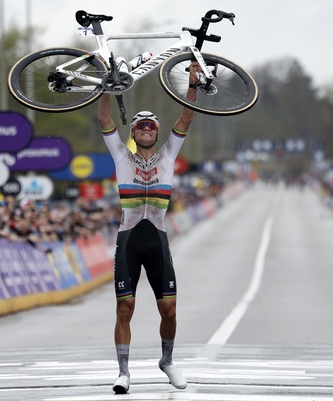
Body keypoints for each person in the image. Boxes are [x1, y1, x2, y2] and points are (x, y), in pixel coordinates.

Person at [98, 62, 199, 394]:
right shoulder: (121, 157)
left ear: (156, 133)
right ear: (133, 133)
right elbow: (105, 120)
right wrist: (106, 87)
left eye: (150, 127)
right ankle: (123, 372)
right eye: (139, 126)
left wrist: (193, 81)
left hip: (157, 240)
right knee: (125, 307)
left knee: (168, 309)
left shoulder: (169, 154)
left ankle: (167, 361)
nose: (144, 129)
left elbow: (186, 118)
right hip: (129, 240)